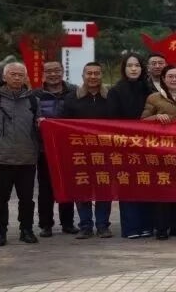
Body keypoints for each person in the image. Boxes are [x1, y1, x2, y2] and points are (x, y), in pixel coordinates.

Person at [0, 63, 41, 247]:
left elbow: (39, 128)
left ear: (25, 78)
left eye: (20, 75)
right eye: (13, 74)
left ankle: (26, 230)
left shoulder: (32, 100)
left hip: (27, 158)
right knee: (0, 199)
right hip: (2, 158)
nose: (17, 78)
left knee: (27, 199)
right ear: (5, 77)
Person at [141, 65, 176, 240]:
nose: (174, 79)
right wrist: (156, 118)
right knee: (163, 190)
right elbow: (141, 121)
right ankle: (162, 228)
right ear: (163, 79)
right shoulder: (154, 98)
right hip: (161, 151)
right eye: (170, 76)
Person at [63, 62, 115, 239]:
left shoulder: (111, 98)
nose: (93, 77)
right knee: (82, 189)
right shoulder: (71, 98)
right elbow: (63, 125)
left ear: (101, 76)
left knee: (103, 189)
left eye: (96, 73)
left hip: (105, 152)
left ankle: (102, 226)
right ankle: (85, 226)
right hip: (80, 153)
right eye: (89, 73)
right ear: (83, 76)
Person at [108, 53, 155, 239]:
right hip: (125, 147)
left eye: (137, 65)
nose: (134, 69)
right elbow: (113, 121)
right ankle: (131, 227)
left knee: (146, 184)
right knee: (128, 186)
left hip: (148, 147)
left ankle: (147, 225)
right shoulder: (115, 91)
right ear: (124, 69)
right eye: (130, 66)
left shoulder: (149, 90)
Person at [32, 60, 78, 237]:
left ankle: (67, 223)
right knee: (45, 188)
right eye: (49, 71)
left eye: (56, 71)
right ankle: (46, 224)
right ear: (43, 74)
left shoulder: (74, 92)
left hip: (68, 148)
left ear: (62, 72)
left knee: (68, 185)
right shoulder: (35, 95)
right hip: (44, 149)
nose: (53, 74)